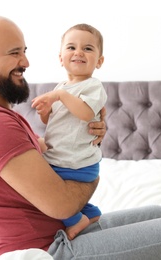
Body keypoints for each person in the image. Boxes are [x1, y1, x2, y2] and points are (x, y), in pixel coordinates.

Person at [0, 15, 161, 260]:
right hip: (43, 249)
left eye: (24, 51)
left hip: (56, 232)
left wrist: (85, 138)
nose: (26, 62)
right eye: (14, 53)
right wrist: (91, 166)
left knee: (159, 213)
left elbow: (42, 152)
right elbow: (63, 205)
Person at [31, 23, 107, 240]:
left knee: (45, 189)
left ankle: (76, 219)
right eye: (71, 47)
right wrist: (45, 113)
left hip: (77, 162)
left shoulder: (93, 86)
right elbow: (55, 122)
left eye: (88, 48)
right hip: (61, 157)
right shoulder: (60, 87)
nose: (79, 52)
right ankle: (89, 213)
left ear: (99, 61)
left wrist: (61, 96)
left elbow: (84, 113)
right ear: (60, 57)